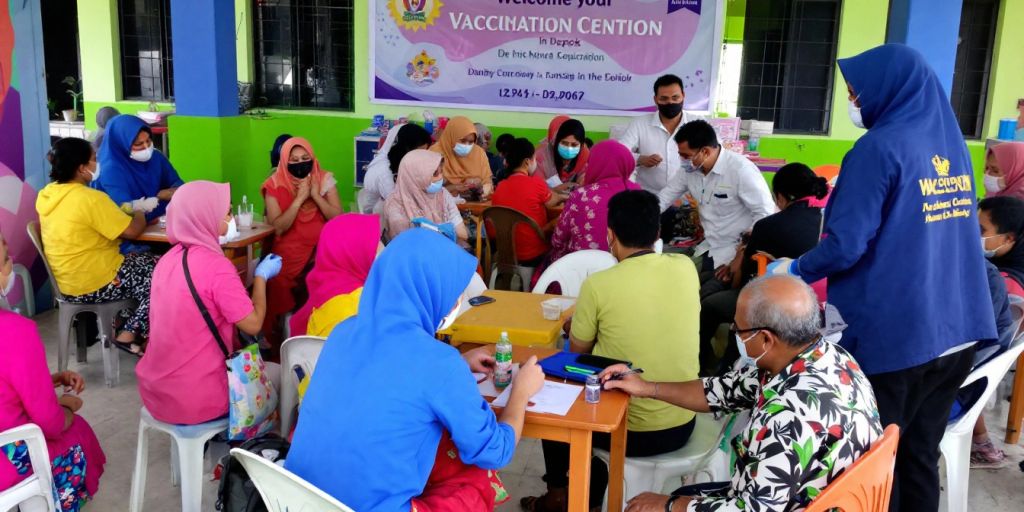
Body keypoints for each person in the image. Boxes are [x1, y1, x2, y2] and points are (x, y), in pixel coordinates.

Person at [766, 45, 995, 511]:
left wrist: (794, 269)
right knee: (917, 456)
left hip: (901, 340)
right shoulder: (949, 144)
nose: (853, 101)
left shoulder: (879, 147)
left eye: (855, 92)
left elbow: (847, 244)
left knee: (871, 462)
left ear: (888, 90)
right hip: (956, 333)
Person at [286, 229, 546, 512]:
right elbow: (494, 451)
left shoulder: (344, 332)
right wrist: (520, 392)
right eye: (453, 293)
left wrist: (457, 363)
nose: (455, 302)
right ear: (430, 291)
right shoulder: (438, 363)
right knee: (474, 477)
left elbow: (385, 375)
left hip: (299, 500)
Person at [609, 276, 881, 512]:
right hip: (805, 494)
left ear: (765, 339)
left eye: (738, 330)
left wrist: (666, 505)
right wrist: (646, 388)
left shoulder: (789, 414)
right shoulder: (824, 356)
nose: (735, 334)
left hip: (793, 503)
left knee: (659, 504)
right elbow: (719, 392)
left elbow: (753, 508)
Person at [524, 190, 700, 512]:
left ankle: (559, 495)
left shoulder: (598, 285)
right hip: (682, 422)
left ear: (610, 235)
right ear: (658, 235)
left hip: (624, 430)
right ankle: (593, 489)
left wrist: (575, 327)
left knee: (555, 387)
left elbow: (578, 350)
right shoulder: (686, 268)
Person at [137, 181, 282, 425]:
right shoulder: (216, 267)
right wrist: (260, 277)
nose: (231, 218)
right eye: (226, 213)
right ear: (203, 217)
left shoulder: (166, 261)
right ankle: (238, 453)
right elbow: (254, 324)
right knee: (277, 376)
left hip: (155, 392)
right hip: (198, 398)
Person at [699, 163, 827, 373]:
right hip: (816, 303)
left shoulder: (768, 225)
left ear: (780, 196)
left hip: (774, 303)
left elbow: (743, 281)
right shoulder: (825, 221)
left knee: (709, 304)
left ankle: (707, 367)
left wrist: (739, 257)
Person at [36, 137, 154, 355]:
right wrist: (140, 211)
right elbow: (132, 231)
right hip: (96, 280)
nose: (96, 164)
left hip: (67, 283)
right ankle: (129, 333)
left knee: (143, 265)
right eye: (93, 160)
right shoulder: (90, 198)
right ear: (81, 168)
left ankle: (125, 326)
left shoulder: (47, 194)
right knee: (162, 272)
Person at [1, 309, 107, 512]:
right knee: (77, 430)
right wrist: (68, 404)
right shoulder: (14, 329)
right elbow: (51, 424)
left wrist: (47, 380)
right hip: (7, 459)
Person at [659, 120, 776, 295]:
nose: (682, 160)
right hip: (708, 246)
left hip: (735, 252)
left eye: (685, 156)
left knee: (698, 295)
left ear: (705, 151)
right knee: (673, 280)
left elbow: (764, 215)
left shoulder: (740, 170)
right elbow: (664, 197)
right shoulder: (689, 171)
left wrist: (741, 255)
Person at [261, 137, 342, 348]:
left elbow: (337, 218)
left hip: (321, 252)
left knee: (327, 282)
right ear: (285, 161)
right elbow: (278, 227)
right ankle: (285, 341)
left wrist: (315, 195)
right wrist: (299, 199)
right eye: (294, 159)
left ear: (313, 158)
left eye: (305, 158)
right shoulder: (274, 185)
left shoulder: (324, 180)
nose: (300, 163)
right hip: (286, 255)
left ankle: (318, 335)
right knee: (279, 284)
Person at [616, 74, 703, 237]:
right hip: (649, 204)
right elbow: (619, 154)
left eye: (675, 97)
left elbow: (713, 154)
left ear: (683, 96)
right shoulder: (640, 124)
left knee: (683, 251)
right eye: (664, 98)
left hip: (688, 204)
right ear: (655, 99)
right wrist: (640, 159)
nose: (670, 102)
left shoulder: (698, 123)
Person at [289, 214, 381, 337]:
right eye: (376, 241)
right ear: (356, 252)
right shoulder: (358, 306)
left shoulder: (324, 287)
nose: (382, 248)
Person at [548, 140, 640, 263]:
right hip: (625, 267)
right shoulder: (638, 193)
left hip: (581, 269)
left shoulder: (581, 195)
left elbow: (558, 239)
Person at [490, 138, 566, 266]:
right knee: (560, 220)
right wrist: (563, 197)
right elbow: (551, 202)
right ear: (527, 162)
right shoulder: (536, 183)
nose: (535, 162)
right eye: (534, 159)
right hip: (535, 254)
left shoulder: (500, 187)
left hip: (505, 253)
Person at [97, 114, 184, 221]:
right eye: (139, 144)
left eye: (148, 141)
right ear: (122, 145)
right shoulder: (110, 169)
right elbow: (125, 209)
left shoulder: (156, 157)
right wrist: (157, 199)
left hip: (157, 222)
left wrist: (175, 192)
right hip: (125, 230)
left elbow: (178, 185)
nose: (146, 147)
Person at [383, 149, 468, 243]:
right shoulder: (395, 203)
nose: (440, 177)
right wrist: (441, 232)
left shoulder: (442, 194)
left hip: (443, 251)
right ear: (417, 176)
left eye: (441, 172)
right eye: (435, 174)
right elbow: (405, 243)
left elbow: (462, 233)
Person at [358, 123, 432, 214]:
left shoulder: (402, 162)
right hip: (378, 217)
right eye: (419, 152)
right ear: (407, 149)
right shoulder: (385, 172)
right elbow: (396, 206)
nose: (422, 156)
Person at [430, 116, 494, 198]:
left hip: (474, 206)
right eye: (463, 141)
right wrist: (454, 188)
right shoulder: (434, 154)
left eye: (471, 142)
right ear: (451, 136)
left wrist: (480, 186)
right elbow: (427, 189)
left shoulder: (479, 153)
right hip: (442, 205)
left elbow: (489, 185)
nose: (467, 145)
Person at [534, 116, 590, 190]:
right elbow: (538, 188)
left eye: (574, 145)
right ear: (556, 141)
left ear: (581, 145)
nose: (569, 148)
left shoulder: (584, 154)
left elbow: (585, 181)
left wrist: (582, 181)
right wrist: (566, 187)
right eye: (564, 143)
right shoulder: (541, 155)